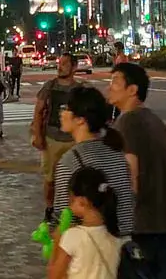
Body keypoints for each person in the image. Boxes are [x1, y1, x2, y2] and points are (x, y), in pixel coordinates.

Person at [108, 62, 166, 278]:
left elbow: (130, 179)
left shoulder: (127, 123)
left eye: (115, 82)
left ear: (132, 90)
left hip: (141, 228)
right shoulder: (155, 121)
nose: (109, 87)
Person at [51, 85, 133, 237]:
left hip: (89, 249)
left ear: (81, 119)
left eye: (65, 108)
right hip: (121, 244)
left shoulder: (71, 160)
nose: (61, 113)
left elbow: (64, 218)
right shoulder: (116, 152)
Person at [48, 166, 124, 279]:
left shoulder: (72, 236)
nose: (69, 204)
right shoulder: (116, 237)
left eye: (71, 199)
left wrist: (58, 240)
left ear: (82, 202)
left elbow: (54, 276)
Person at [33, 53, 83, 212]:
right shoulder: (50, 86)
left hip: (73, 140)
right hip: (52, 138)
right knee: (50, 179)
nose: (59, 67)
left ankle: (71, 211)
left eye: (65, 64)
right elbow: (38, 111)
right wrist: (38, 135)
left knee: (74, 179)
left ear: (74, 67)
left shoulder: (80, 89)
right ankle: (49, 209)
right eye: (59, 63)